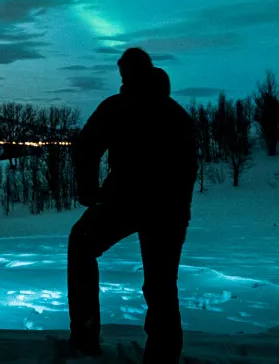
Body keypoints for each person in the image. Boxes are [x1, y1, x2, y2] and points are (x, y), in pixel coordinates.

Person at [66, 48, 197, 363]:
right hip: (164, 207)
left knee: (82, 245)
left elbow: (86, 148)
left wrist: (89, 190)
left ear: (127, 73)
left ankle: (85, 336)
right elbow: (188, 169)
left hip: (128, 201)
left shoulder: (119, 107)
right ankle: (163, 354)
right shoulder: (175, 113)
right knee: (161, 282)